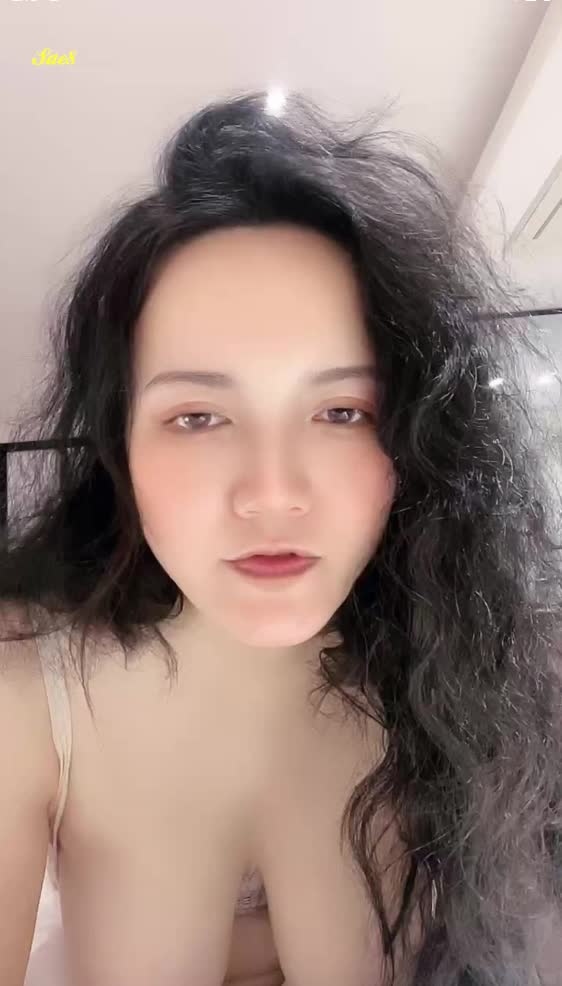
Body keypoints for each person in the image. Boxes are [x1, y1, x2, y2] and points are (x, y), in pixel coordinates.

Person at [0, 89, 561, 986]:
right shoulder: (30, 689)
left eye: (341, 411)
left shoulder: (476, 675)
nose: (272, 494)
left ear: (417, 438)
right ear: (120, 447)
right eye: (197, 417)